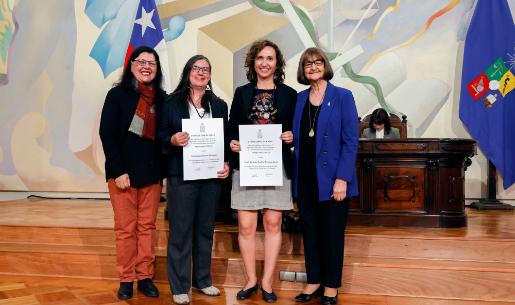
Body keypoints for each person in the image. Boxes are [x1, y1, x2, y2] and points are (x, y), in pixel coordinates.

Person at [228, 39, 297, 303]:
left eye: (270, 58)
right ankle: (251, 280)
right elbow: (232, 126)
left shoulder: (290, 94)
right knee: (246, 226)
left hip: (276, 165)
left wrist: (292, 137)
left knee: (272, 223)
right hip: (246, 165)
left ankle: (267, 282)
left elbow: (294, 130)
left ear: (277, 63)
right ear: (252, 63)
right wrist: (232, 142)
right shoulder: (241, 92)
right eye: (260, 58)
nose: (264, 63)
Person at [158, 55, 230, 305]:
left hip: (211, 177)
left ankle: (202, 280)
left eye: (206, 69)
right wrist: (172, 140)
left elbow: (225, 139)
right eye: (196, 68)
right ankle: (180, 285)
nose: (201, 72)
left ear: (210, 75)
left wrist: (226, 162)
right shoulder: (172, 102)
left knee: (204, 228)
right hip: (182, 174)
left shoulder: (219, 105)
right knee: (180, 230)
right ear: (188, 71)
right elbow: (161, 134)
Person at [292, 48, 359, 305]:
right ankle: (314, 281)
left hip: (333, 181)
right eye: (307, 64)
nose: (312, 67)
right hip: (305, 178)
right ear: (303, 70)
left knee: (332, 234)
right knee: (309, 232)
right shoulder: (299, 99)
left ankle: (331, 286)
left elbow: (351, 142)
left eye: (317, 62)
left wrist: (342, 179)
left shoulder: (343, 96)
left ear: (325, 65)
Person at [99, 46, 167, 300]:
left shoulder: (162, 98)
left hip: (151, 174)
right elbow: (107, 135)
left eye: (152, 63)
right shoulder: (117, 95)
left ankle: (145, 277)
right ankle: (126, 279)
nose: (147, 66)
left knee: (147, 228)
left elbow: (163, 136)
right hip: (122, 175)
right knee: (126, 229)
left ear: (157, 69)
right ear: (132, 65)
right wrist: (118, 171)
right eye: (141, 61)